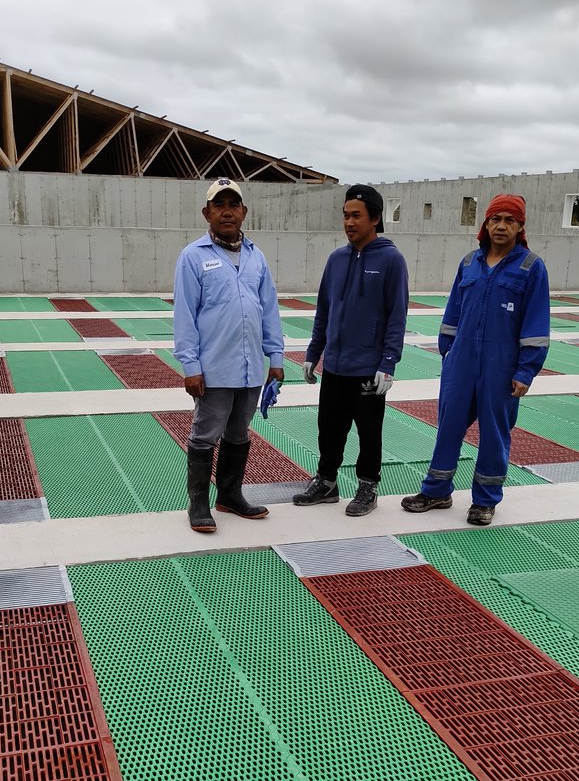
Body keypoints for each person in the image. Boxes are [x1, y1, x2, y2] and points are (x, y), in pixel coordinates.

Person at [401, 193, 550, 526]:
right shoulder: (469, 262)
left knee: (495, 433)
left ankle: (485, 500)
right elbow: (453, 311)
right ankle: (436, 490)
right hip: (461, 361)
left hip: (502, 365)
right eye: (495, 219)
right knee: (449, 426)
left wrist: (526, 370)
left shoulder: (531, 267)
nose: (501, 226)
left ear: (520, 226)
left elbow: (537, 324)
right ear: (486, 223)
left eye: (509, 220)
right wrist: (448, 352)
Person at [173, 178, 285, 533]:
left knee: (239, 433)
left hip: (252, 368)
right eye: (218, 205)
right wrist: (190, 366)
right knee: (205, 435)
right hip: (214, 368)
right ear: (207, 213)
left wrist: (276, 358)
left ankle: (230, 495)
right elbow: (184, 315)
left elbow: (269, 309)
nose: (226, 211)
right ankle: (199, 505)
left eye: (233, 204)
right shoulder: (194, 256)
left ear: (243, 212)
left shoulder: (256, 256)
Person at [293, 184, 408, 516]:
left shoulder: (390, 260)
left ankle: (368, 485)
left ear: (374, 218)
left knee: (369, 431)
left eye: (356, 215)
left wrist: (388, 362)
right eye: (345, 216)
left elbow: (396, 316)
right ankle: (327, 482)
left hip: (368, 368)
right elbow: (324, 310)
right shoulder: (337, 259)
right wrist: (315, 352)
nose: (348, 222)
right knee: (328, 428)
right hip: (336, 365)